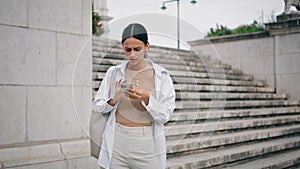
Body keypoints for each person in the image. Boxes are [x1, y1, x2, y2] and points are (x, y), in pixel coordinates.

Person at [93, 23, 176, 169]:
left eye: (137, 49)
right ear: (122, 47)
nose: (132, 54)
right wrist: (114, 99)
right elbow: (98, 106)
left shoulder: (162, 76)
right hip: (116, 141)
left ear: (147, 46)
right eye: (127, 49)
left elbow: (166, 115)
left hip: (146, 144)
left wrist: (148, 99)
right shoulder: (113, 73)